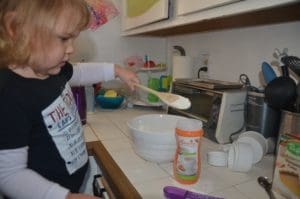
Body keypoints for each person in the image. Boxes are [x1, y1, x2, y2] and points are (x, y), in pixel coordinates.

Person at [0, 0, 139, 199]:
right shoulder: (9, 95)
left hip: (72, 186)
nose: (71, 49)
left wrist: (115, 70)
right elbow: (9, 175)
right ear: (16, 28)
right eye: (64, 38)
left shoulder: (52, 68)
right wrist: (64, 197)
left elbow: (81, 73)